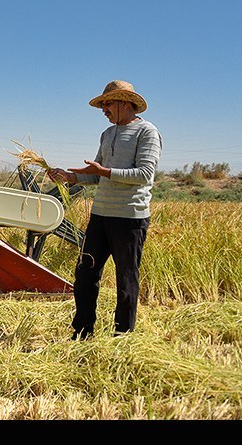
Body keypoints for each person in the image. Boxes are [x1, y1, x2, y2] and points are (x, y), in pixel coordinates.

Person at [47, 80, 162, 340]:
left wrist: (105, 171)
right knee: (85, 273)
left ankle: (122, 335)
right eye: (102, 105)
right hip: (100, 216)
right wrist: (70, 177)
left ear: (125, 102)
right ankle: (82, 331)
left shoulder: (147, 132)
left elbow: (145, 174)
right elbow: (97, 174)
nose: (104, 110)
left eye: (107, 103)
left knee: (126, 278)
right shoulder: (107, 134)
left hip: (129, 218)